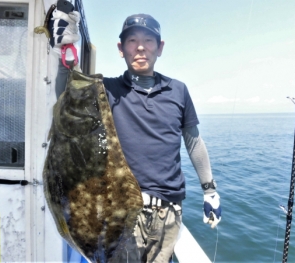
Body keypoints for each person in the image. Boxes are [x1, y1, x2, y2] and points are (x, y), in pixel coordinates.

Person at [50, 9, 221, 263]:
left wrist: (210, 190)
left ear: (160, 47)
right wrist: (63, 50)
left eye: (148, 40)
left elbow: (193, 141)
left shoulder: (179, 91)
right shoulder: (107, 90)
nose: (140, 47)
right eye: (132, 41)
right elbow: (67, 93)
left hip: (169, 213)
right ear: (121, 48)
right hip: (122, 212)